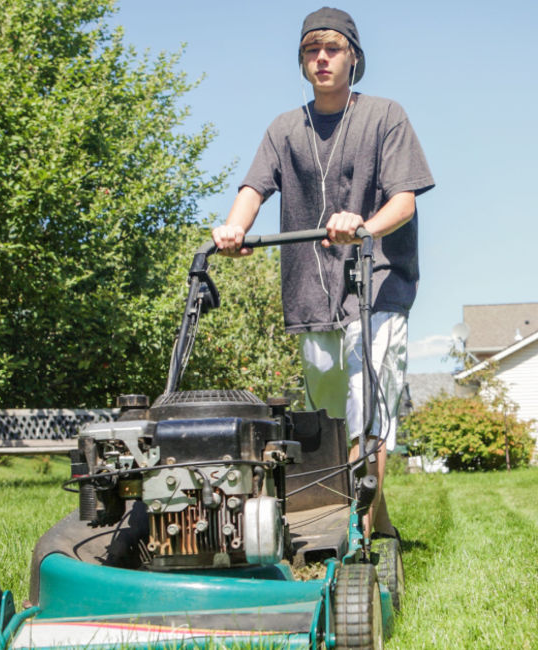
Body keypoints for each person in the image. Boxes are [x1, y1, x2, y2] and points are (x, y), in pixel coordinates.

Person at [212, 7, 434, 539]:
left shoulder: (385, 116)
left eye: (333, 48)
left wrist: (364, 226)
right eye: (312, 50)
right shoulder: (285, 128)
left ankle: (356, 535)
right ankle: (374, 523)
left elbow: (403, 201)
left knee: (367, 411)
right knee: (331, 421)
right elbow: (255, 188)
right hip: (311, 292)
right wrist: (234, 229)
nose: (322, 58)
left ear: (354, 57)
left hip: (378, 284)